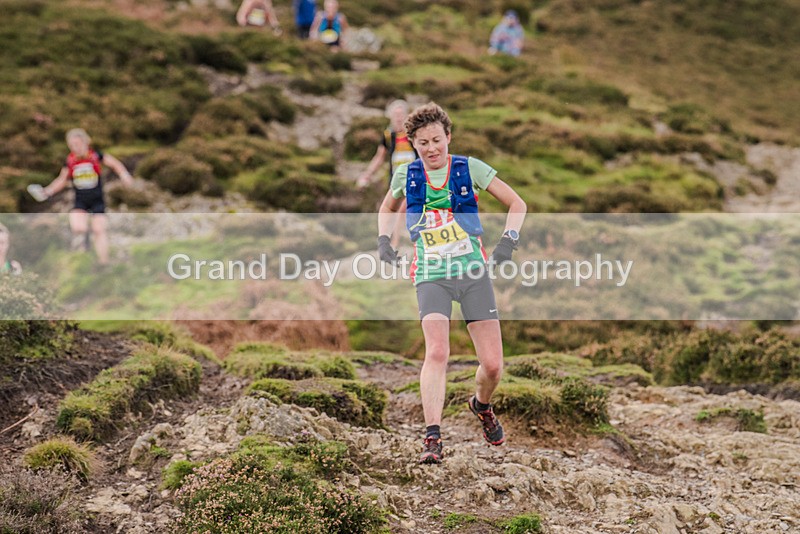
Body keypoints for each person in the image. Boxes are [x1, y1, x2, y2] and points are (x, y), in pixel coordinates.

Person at [376, 102, 527, 464]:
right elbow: (387, 208)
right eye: (423, 143)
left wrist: (508, 241)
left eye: (436, 140)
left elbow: (517, 204)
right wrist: (383, 241)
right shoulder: (406, 175)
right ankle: (432, 437)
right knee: (437, 352)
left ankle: (482, 405)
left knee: (493, 366)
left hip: (473, 272)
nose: (431, 149)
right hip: (430, 274)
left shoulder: (469, 168)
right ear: (413, 144)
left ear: (448, 137)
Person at [37, 128, 134, 266]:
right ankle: (85, 248)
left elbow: (115, 164)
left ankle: (104, 263)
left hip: (97, 200)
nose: (75, 148)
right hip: (80, 201)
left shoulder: (96, 155)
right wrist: (48, 191)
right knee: (78, 228)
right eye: (72, 146)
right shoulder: (70, 161)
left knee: (99, 230)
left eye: (77, 144)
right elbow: (61, 180)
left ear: (85, 142)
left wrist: (124, 175)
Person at [358, 99, 418, 248]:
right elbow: (380, 157)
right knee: (397, 209)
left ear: (407, 116)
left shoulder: (413, 135)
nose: (398, 118)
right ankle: (396, 242)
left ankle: (407, 241)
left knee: (406, 207)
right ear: (390, 116)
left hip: (415, 177)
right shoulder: (388, 136)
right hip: (396, 179)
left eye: (401, 114)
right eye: (395, 115)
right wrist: (367, 174)